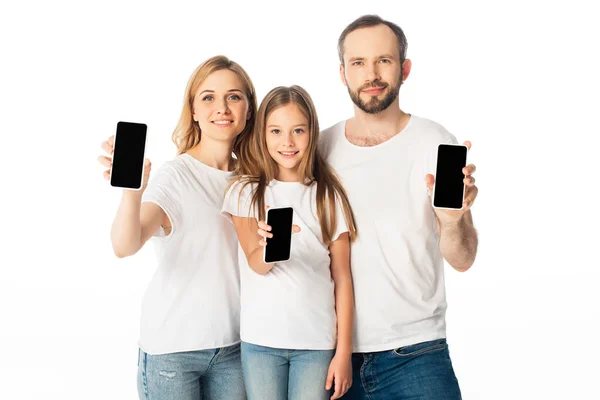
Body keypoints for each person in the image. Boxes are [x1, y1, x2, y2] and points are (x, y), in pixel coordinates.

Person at [318, 15, 479, 399]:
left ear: (404, 68)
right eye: (358, 63)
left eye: (384, 61)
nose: (371, 74)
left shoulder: (435, 142)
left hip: (417, 352)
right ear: (342, 73)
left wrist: (453, 221)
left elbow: (462, 259)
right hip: (332, 354)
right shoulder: (318, 148)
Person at [97, 55, 257, 400]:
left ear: (248, 110)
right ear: (194, 110)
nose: (222, 107)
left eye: (234, 96)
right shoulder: (175, 176)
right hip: (173, 352)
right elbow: (125, 245)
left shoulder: (251, 179)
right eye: (208, 97)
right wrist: (132, 193)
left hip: (234, 349)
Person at [221, 85, 357, 400]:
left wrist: (344, 352)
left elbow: (343, 278)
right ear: (262, 134)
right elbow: (256, 264)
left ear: (312, 132)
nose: (287, 142)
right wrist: (270, 248)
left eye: (298, 130)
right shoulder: (245, 192)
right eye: (276, 131)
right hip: (261, 341)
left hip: (316, 343)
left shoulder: (327, 195)